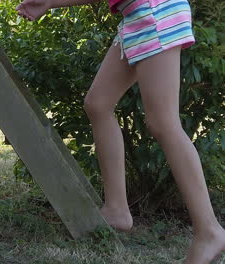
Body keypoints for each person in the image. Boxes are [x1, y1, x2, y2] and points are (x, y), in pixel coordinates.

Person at [15, 0, 225, 263]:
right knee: (98, 103)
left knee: (163, 123)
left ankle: (209, 230)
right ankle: (116, 208)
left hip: (154, 10)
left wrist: (50, 3)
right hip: (136, 14)